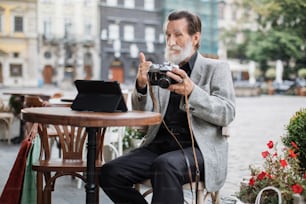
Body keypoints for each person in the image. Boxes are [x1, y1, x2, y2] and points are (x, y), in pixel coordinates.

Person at [99, 10, 236, 204]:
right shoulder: (163, 70)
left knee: (165, 165)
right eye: (168, 35)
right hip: (159, 146)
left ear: (195, 38)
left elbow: (227, 113)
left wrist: (192, 92)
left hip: (200, 150)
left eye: (178, 35)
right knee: (109, 172)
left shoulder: (215, 68)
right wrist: (141, 85)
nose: (171, 41)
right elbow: (143, 112)